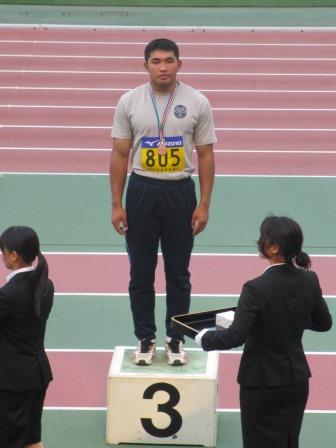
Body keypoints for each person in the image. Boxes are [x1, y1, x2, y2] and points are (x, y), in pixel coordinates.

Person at [110, 38, 216, 366]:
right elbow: (120, 153)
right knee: (141, 272)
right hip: (141, 192)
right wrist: (117, 202)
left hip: (180, 193)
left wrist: (204, 204)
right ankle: (145, 336)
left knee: (178, 273)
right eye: (156, 61)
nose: (163, 67)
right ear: (145, 66)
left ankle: (175, 337)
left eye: (169, 61)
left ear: (179, 64)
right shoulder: (129, 102)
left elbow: (206, 154)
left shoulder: (197, 102)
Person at [195, 216, 332, 448]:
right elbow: (324, 323)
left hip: (261, 384)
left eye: (262, 238)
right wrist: (289, 320)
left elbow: (234, 336)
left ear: (274, 247)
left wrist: (203, 338)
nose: (259, 241)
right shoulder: (309, 279)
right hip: (296, 381)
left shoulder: (255, 288)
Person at [0, 226, 54, 448]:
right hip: (36, 376)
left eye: (3, 251)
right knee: (31, 441)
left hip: (14, 384)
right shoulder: (45, 285)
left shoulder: (9, 295)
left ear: (14, 256)